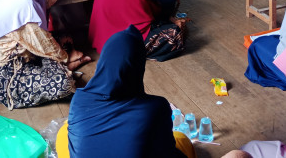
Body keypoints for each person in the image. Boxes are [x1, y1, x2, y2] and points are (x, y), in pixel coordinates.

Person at [65, 26, 194, 158]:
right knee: (183, 142)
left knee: (65, 133)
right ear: (138, 67)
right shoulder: (155, 107)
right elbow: (167, 152)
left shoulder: (79, 100)